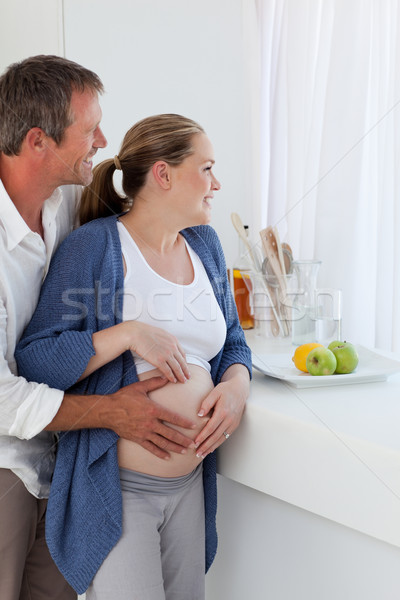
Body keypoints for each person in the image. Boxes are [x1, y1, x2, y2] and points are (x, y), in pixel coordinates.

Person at [16, 113, 252, 599]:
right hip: (117, 492)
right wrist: (126, 335)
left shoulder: (205, 245)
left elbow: (233, 341)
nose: (217, 184)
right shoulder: (95, 247)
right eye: (206, 169)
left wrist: (235, 387)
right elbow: (37, 360)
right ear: (163, 174)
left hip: (190, 487)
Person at [0, 56, 199, 600]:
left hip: (63, 466)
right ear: (38, 141)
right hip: (5, 464)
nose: (102, 140)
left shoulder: (67, 205)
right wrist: (110, 412)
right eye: (89, 129)